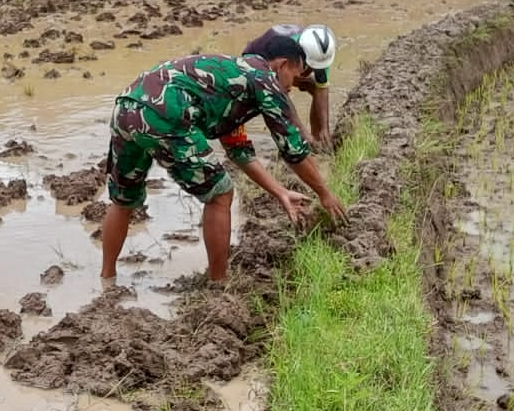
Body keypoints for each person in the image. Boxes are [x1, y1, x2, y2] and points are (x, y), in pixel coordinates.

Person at [99, 38, 348, 286]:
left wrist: (280, 192)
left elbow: (238, 150)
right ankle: (219, 283)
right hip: (166, 111)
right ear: (282, 65)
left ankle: (107, 279)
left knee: (123, 199)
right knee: (221, 193)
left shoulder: (233, 78)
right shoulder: (266, 80)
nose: (292, 87)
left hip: (127, 106)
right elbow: (294, 150)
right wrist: (325, 193)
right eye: (295, 75)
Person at [245, 24, 338, 149]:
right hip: (258, 64)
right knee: (274, 100)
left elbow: (322, 88)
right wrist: (303, 132)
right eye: (311, 66)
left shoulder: (319, 52)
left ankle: (317, 141)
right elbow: (282, 93)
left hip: (289, 64)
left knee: (314, 86)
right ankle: (299, 141)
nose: (313, 70)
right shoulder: (285, 52)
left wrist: (324, 129)